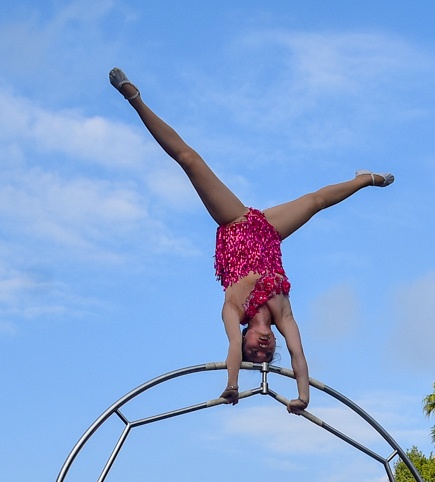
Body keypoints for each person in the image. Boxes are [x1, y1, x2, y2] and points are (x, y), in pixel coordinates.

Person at [110, 68, 391, 414]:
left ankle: (135, 100)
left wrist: (232, 386)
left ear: (245, 339)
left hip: (235, 224)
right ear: (273, 343)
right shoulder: (283, 314)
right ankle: (364, 180)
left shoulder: (233, 309)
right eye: (268, 353)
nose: (261, 350)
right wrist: (303, 397)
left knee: (189, 160)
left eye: (253, 353)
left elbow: (229, 348)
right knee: (316, 201)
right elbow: (299, 355)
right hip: (269, 232)